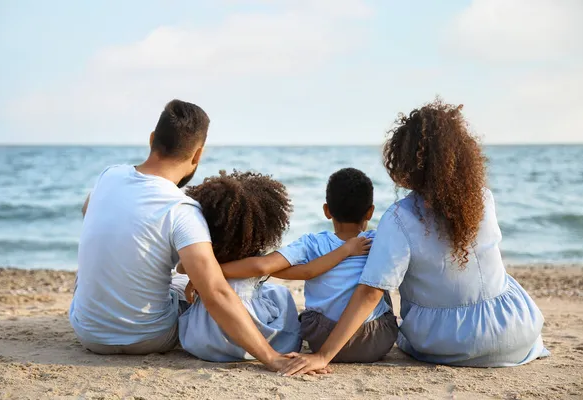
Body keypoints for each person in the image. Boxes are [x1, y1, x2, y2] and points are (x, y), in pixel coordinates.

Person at [280, 99, 550, 375]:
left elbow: (371, 291)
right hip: (515, 334)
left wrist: (323, 355)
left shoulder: (399, 218)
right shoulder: (483, 199)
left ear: (406, 161)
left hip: (447, 343)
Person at [70, 100, 293, 371]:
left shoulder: (109, 176)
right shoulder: (181, 209)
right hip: (150, 337)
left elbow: (88, 210)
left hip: (88, 334)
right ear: (197, 155)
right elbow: (216, 292)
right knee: (186, 283)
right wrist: (271, 357)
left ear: (152, 139)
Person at [175, 170, 371, 362]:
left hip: (203, 343)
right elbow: (263, 268)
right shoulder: (373, 240)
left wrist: (204, 273)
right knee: (281, 295)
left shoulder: (205, 258)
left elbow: (182, 268)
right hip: (253, 341)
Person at [216, 168, 397, 363]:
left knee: (309, 310)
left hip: (322, 338)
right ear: (370, 212)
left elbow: (262, 267)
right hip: (375, 342)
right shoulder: (378, 240)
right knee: (379, 283)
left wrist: (210, 270)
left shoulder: (312, 243)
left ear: (326, 211)